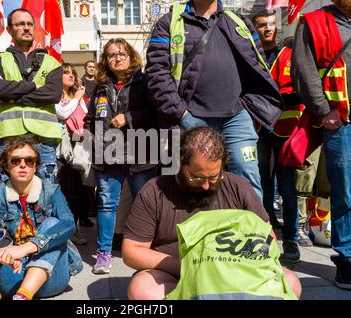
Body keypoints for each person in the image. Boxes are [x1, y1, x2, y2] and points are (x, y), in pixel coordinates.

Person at [122, 127, 301, 300]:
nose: (206, 185)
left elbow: (269, 240)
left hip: (237, 273)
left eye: (213, 177)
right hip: (177, 274)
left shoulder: (239, 187)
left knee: (291, 282)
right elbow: (132, 251)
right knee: (143, 290)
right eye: (197, 178)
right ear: (180, 164)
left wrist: (229, 266)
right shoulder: (155, 191)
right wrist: (193, 266)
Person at [146, 0, 283, 199]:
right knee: (193, 186)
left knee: (248, 183)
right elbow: (157, 74)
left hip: (236, 118)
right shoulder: (169, 22)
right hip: (190, 120)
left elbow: (258, 66)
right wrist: (182, 115)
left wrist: (249, 110)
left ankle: (253, 229)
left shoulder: (239, 21)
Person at [0, 137, 82, 300]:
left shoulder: (52, 191)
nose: (23, 165)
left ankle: (23, 296)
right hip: (13, 273)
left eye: (30, 161)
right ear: (6, 166)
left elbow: (68, 225)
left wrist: (26, 248)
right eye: (15, 161)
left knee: (54, 223)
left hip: (50, 278)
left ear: (36, 166)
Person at [84, 38, 158, 274]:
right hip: (108, 154)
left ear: (131, 57)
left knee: (145, 204)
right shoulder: (100, 87)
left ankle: (149, 250)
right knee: (106, 204)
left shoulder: (144, 82)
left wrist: (130, 118)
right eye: (111, 55)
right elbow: (90, 119)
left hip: (142, 152)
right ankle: (104, 254)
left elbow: (156, 114)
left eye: (122, 54)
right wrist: (89, 136)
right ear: (105, 60)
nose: (117, 58)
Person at [291, 0, 351, 289]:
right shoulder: (314, 21)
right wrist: (323, 109)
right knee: (345, 192)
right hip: (342, 121)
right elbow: (303, 70)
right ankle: (348, 258)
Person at [0, 8, 62, 184]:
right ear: (9, 30)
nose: (26, 28)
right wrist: (33, 86)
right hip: (8, 138)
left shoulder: (52, 62)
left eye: (29, 24)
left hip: (43, 139)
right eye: (20, 24)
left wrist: (12, 95)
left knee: (46, 196)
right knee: (6, 197)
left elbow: (53, 93)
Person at [252, 11, 302, 262]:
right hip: (259, 128)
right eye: (262, 25)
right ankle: (266, 234)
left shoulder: (289, 55)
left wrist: (270, 99)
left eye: (271, 25)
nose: (268, 29)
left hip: (285, 129)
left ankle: (291, 240)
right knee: (261, 185)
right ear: (255, 28)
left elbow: (299, 91)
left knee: (287, 187)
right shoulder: (252, 57)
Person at [56, 63, 94, 246]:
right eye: (66, 73)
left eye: (73, 73)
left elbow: (85, 119)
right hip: (62, 152)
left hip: (80, 149)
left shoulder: (77, 98)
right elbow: (62, 113)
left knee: (80, 193)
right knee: (65, 193)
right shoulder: (55, 95)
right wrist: (78, 97)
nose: (71, 75)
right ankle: (65, 232)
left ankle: (74, 229)